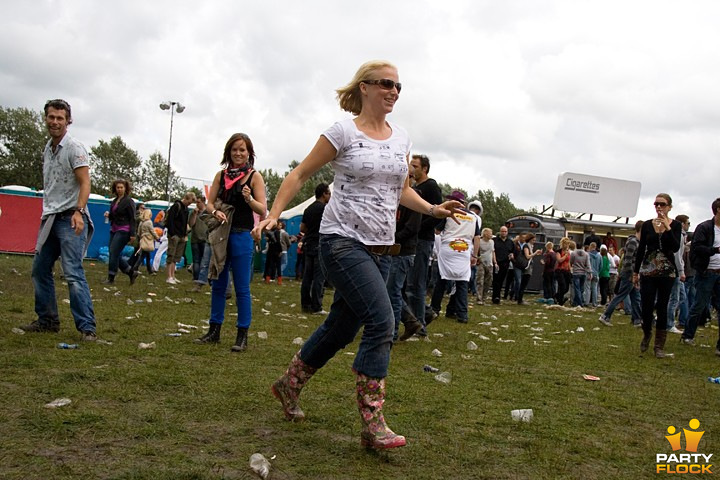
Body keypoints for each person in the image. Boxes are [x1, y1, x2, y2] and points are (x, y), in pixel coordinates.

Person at [252, 60, 461, 450]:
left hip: (381, 249)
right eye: (386, 84)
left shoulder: (401, 138)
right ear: (364, 87)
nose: (394, 91)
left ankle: (289, 384)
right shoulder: (342, 131)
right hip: (342, 241)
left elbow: (400, 190)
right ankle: (373, 422)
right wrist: (275, 213)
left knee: (341, 328)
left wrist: (433, 210)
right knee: (383, 320)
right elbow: (299, 175)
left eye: (399, 86)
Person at [19, 99, 97, 341]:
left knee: (73, 272)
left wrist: (79, 211)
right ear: (46, 118)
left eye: (60, 118)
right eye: (51, 117)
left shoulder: (74, 148)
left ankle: (87, 329)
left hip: (71, 218)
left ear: (68, 121)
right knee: (40, 269)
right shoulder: (48, 148)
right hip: (51, 217)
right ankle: (48, 320)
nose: (55, 122)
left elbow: (85, 182)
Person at [195, 133, 267, 351]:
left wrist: (248, 198)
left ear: (249, 153)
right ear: (228, 152)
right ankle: (214, 330)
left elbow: (262, 209)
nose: (238, 153)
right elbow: (208, 204)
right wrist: (215, 211)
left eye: (242, 150)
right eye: (235, 149)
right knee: (218, 283)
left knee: (242, 287)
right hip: (221, 236)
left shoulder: (254, 177)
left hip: (242, 235)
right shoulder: (221, 175)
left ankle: (241, 336)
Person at [633, 193, 682, 358]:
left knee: (662, 306)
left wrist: (667, 227)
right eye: (656, 204)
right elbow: (641, 250)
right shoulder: (647, 225)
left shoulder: (675, 226)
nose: (659, 207)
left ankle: (659, 346)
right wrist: (635, 271)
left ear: (669, 207)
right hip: (648, 269)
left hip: (667, 271)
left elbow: (675, 247)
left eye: (662, 204)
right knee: (646, 306)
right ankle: (647, 332)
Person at [430, 190, 480, 323]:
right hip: (464, 250)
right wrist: (475, 255)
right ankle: (462, 314)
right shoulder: (473, 217)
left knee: (442, 280)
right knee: (462, 282)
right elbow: (477, 237)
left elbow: (437, 231)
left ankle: (434, 309)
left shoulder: (448, 214)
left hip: (448, 248)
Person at [406, 154, 443, 331]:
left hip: (423, 240)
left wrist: (418, 227)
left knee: (416, 284)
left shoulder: (431, 186)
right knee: (408, 283)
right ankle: (425, 314)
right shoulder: (414, 187)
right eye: (410, 165)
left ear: (424, 169)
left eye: (415, 166)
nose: (411, 169)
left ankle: (420, 325)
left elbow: (438, 215)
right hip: (413, 239)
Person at [680, 198, 720, 356]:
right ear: (718, 210)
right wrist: (715, 250)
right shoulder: (705, 227)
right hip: (706, 272)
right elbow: (696, 248)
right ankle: (688, 335)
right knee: (699, 305)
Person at [386, 188, 422, 341]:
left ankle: (392, 332)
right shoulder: (395, 196)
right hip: (395, 251)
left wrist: (391, 238)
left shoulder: (413, 200)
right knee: (391, 291)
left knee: (392, 292)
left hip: (403, 252)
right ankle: (410, 321)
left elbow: (412, 228)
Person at [599, 221, 643, 327]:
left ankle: (637, 319)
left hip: (631, 274)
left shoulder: (637, 242)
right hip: (629, 274)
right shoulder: (633, 242)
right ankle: (605, 316)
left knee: (636, 297)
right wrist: (633, 275)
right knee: (620, 296)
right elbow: (628, 261)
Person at [300, 183, 331, 313]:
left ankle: (305, 304)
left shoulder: (308, 209)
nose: (330, 195)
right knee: (319, 277)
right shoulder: (326, 209)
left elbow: (302, 228)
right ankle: (316, 306)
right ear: (324, 194)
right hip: (320, 244)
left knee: (307, 276)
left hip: (309, 244)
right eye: (329, 193)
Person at [103, 179, 138, 285]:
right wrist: (109, 215)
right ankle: (130, 271)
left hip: (125, 229)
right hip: (114, 228)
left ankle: (111, 277)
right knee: (113, 252)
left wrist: (132, 233)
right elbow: (115, 215)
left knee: (114, 251)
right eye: (117, 187)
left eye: (121, 187)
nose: (119, 189)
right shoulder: (114, 201)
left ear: (125, 188)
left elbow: (133, 218)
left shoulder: (129, 201)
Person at [164, 192, 196, 284]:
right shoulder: (176, 206)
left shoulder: (186, 208)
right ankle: (169, 276)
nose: (189, 204)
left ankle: (173, 276)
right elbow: (170, 220)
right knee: (171, 255)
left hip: (182, 235)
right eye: (189, 202)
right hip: (174, 235)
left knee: (176, 257)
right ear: (186, 198)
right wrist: (172, 233)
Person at [666, 214, 689, 334]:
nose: (688, 226)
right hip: (675, 270)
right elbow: (677, 255)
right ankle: (669, 323)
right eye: (688, 223)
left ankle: (665, 317)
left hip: (674, 269)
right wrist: (681, 271)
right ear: (682, 224)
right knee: (676, 297)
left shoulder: (680, 236)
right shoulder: (679, 236)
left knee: (680, 297)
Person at [189, 198, 210, 291]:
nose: (197, 204)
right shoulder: (193, 213)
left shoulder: (208, 212)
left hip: (205, 239)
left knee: (204, 261)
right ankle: (196, 279)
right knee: (196, 260)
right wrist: (194, 215)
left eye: (198, 202)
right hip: (195, 239)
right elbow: (191, 224)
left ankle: (203, 279)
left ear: (203, 202)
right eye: (196, 202)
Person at [516, 233, 542, 305]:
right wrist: (535, 253)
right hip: (526, 266)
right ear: (530, 239)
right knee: (524, 283)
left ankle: (520, 298)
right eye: (533, 240)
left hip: (529, 265)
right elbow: (527, 256)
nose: (534, 241)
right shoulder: (526, 246)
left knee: (525, 282)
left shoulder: (530, 246)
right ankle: (519, 299)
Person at [492, 225, 514, 304]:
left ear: (507, 232)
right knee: (495, 280)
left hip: (505, 264)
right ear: (500, 232)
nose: (504, 233)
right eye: (502, 231)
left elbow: (512, 251)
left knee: (501, 280)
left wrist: (511, 255)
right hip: (496, 263)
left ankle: (498, 296)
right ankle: (495, 296)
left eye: (505, 231)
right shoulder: (494, 240)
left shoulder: (510, 242)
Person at [134, 208, 159, 274]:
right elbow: (152, 231)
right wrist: (157, 237)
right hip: (148, 239)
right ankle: (135, 268)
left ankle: (149, 270)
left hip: (142, 239)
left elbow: (138, 232)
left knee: (147, 255)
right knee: (143, 255)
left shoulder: (141, 222)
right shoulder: (149, 222)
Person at [475, 227, 496, 305]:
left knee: (488, 281)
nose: (491, 235)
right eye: (490, 233)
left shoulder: (492, 242)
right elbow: (475, 251)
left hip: (490, 263)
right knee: (480, 281)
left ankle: (484, 298)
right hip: (481, 263)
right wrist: (477, 258)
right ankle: (479, 298)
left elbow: (493, 252)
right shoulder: (479, 241)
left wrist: (495, 262)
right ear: (485, 234)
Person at [570, 241, 590, 307]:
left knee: (577, 289)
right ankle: (576, 302)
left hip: (576, 272)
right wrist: (589, 272)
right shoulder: (586, 254)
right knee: (581, 289)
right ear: (582, 247)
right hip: (583, 273)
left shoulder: (573, 253)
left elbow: (571, 262)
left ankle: (580, 302)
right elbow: (588, 264)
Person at [554, 237, 572, 306]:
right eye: (566, 244)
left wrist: (570, 269)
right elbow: (559, 260)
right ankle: (560, 300)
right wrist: (565, 255)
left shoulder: (568, 252)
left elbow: (568, 262)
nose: (567, 246)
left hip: (566, 271)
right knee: (562, 285)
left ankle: (557, 296)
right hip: (559, 270)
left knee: (566, 288)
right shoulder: (558, 251)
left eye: (568, 244)